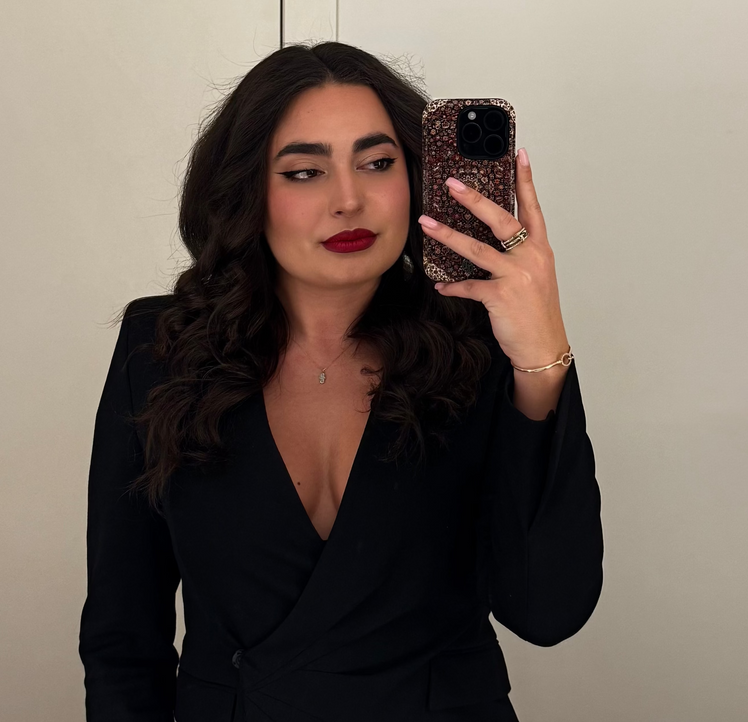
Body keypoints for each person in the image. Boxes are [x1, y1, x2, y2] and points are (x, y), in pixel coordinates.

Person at [78, 41, 604, 722]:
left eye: (377, 163)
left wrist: (543, 360)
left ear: (415, 177)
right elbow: (123, 639)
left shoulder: (484, 346)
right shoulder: (161, 352)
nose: (349, 200)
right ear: (248, 192)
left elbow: (548, 611)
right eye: (304, 172)